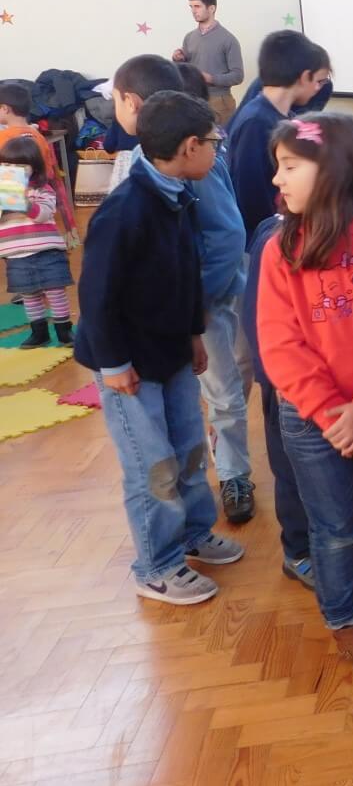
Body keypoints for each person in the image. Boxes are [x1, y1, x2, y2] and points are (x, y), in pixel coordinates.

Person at [256, 113, 353, 674]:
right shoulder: (281, 249)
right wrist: (333, 415)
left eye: (290, 166)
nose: (277, 179)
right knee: (335, 527)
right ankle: (345, 621)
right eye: (278, 166)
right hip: (314, 420)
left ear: (335, 169)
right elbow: (281, 346)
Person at [75, 88, 245, 605]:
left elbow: (187, 272)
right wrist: (114, 364)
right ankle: (157, 565)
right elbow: (96, 295)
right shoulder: (124, 211)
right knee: (152, 464)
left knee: (188, 451)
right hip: (130, 364)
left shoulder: (179, 195)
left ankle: (193, 533)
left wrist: (193, 333)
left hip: (171, 351)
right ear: (191, 146)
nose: (217, 151)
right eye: (214, 142)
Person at [108, 56, 256, 523]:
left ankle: (233, 474)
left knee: (223, 392)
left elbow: (227, 235)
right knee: (192, 400)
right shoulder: (144, 164)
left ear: (131, 101)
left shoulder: (190, 157)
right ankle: (196, 488)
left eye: (114, 100)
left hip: (204, 301)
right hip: (174, 310)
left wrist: (199, 305)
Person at [243, 211, 315, 589]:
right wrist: (276, 380)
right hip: (287, 386)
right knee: (291, 469)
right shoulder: (276, 238)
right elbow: (259, 322)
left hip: (337, 390)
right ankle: (299, 552)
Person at [226, 30, 330, 243]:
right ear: (304, 77)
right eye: (317, 81)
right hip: (264, 238)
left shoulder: (284, 116)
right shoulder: (256, 122)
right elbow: (251, 195)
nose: (317, 89)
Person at [0, 135, 73, 347]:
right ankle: (39, 332)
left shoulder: (42, 189)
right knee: (29, 294)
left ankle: (64, 330)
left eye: (21, 166)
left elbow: (43, 214)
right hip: (16, 253)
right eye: (7, 165)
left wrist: (22, 202)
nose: (14, 170)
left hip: (46, 250)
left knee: (55, 290)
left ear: (34, 167)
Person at [0, 79, 76, 237]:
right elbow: (49, 171)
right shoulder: (39, 136)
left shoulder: (3, 137)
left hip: (11, 202)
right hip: (40, 198)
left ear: (5, 109)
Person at [173, 0, 244, 125]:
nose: (193, 11)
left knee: (220, 138)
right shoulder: (189, 37)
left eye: (197, 6)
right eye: (191, 7)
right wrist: (178, 60)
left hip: (219, 103)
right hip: (194, 100)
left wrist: (211, 78)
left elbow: (238, 76)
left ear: (211, 8)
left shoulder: (228, 39)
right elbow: (186, 70)